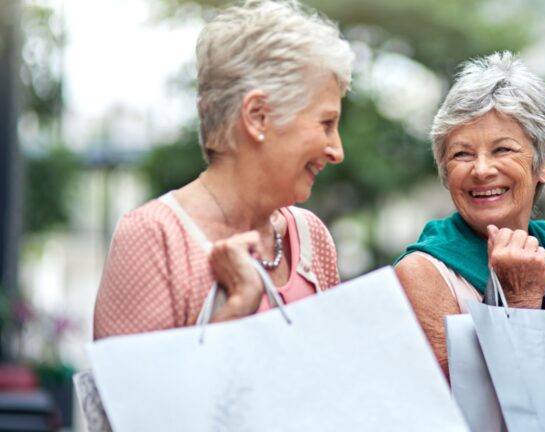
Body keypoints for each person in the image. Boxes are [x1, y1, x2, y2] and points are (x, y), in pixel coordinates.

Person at [93, 0, 354, 339]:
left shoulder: (311, 237)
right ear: (257, 115)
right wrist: (238, 307)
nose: (337, 151)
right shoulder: (153, 238)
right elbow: (136, 392)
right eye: (326, 123)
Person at [394, 52, 545, 377]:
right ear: (445, 169)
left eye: (502, 149)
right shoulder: (422, 274)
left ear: (544, 162)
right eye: (461, 154)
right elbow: (448, 408)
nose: (481, 170)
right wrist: (519, 301)